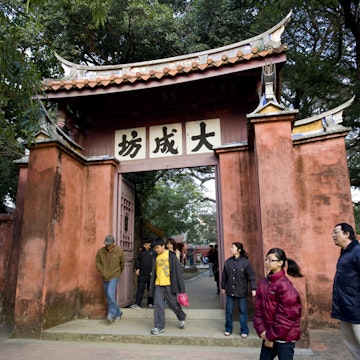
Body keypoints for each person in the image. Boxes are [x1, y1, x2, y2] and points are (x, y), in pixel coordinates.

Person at [253, 248, 303, 360]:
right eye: (266, 259)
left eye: (270, 260)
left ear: (280, 263)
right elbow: (258, 310)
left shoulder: (285, 285)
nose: (267, 262)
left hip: (285, 336)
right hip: (268, 334)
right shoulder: (263, 283)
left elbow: (288, 315)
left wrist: (271, 336)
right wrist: (262, 331)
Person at [331, 223, 360, 359]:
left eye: (336, 232)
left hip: (356, 309)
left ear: (347, 234)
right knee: (352, 346)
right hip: (345, 308)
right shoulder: (345, 253)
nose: (333, 235)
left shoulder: (357, 252)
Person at [149, 237, 187, 335]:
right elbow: (156, 270)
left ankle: (181, 316)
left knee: (173, 304)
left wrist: (182, 289)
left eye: (157, 248)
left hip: (169, 284)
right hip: (158, 284)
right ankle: (159, 326)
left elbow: (178, 272)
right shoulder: (155, 257)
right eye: (155, 248)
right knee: (158, 305)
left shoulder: (171, 255)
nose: (156, 250)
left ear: (163, 246)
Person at [221, 242, 257, 337]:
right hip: (230, 290)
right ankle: (228, 328)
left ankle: (244, 330)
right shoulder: (228, 262)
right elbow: (224, 276)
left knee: (243, 311)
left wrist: (253, 288)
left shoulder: (245, 262)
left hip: (241, 290)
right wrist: (223, 287)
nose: (231, 249)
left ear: (239, 250)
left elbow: (251, 276)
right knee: (229, 311)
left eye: (233, 247)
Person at [95, 234, 125, 322]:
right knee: (109, 296)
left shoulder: (119, 251)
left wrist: (118, 272)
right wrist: (102, 271)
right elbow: (97, 263)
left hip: (114, 276)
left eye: (109, 244)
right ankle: (118, 312)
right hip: (104, 276)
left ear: (113, 243)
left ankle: (110, 313)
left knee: (110, 294)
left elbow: (122, 264)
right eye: (106, 244)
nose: (107, 246)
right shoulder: (100, 252)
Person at [130, 238, 157, 309]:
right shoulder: (141, 252)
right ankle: (137, 304)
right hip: (142, 273)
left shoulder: (154, 252)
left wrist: (153, 271)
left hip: (150, 274)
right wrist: (138, 268)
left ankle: (151, 302)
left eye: (146, 244)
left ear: (149, 243)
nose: (144, 246)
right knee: (140, 289)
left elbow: (156, 263)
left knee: (150, 289)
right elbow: (138, 261)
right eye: (143, 244)